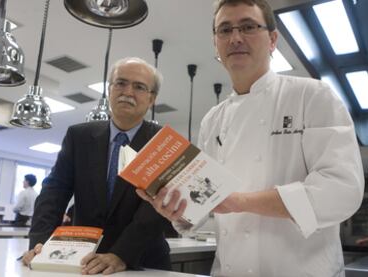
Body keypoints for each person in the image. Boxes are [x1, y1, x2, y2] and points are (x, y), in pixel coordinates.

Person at [137, 0, 365, 276]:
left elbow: (341, 191)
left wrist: (240, 202)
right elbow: (210, 211)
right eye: (225, 30)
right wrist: (179, 211)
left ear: (272, 39)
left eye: (247, 26)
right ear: (215, 44)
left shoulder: (312, 95)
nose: (235, 38)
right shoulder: (213, 120)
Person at [22, 57, 171, 275]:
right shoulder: (78, 136)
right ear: (109, 90)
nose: (127, 92)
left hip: (143, 262)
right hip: (82, 260)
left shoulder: (164, 143)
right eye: (120, 83)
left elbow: (154, 210)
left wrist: (121, 254)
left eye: (139, 87)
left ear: (152, 99)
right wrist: (40, 245)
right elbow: (54, 192)